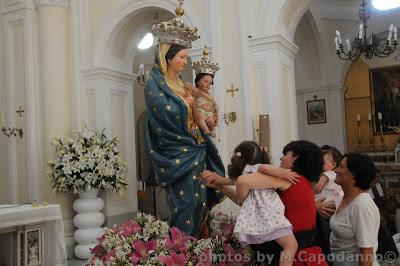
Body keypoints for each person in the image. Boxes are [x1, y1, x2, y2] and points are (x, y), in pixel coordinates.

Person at [144, 2, 225, 237]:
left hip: (197, 148)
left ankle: (197, 249)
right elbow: (163, 112)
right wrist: (189, 106)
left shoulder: (183, 84)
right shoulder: (154, 84)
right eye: (181, 56)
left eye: (186, 57)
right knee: (184, 204)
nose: (185, 62)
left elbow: (202, 104)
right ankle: (180, 252)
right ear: (167, 56)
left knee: (199, 201)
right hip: (177, 152)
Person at [203, 140, 328, 266]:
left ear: (296, 157)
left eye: (285, 154)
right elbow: (249, 202)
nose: (281, 157)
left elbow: (243, 182)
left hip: (298, 257)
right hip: (304, 254)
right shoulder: (300, 182)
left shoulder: (290, 179)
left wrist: (221, 182)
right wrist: (220, 185)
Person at [329, 153, 380, 266]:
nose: (336, 170)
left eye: (341, 167)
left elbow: (366, 253)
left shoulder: (362, 205)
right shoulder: (345, 197)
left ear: (354, 174)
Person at [314, 146, 343, 262]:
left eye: (322, 162)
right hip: (330, 210)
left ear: (334, 164)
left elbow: (317, 188)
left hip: (329, 210)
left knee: (326, 236)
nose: (319, 165)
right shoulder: (334, 175)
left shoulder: (327, 174)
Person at [192, 47, 220, 137]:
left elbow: (213, 102)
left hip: (209, 113)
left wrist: (216, 106)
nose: (208, 85)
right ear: (198, 81)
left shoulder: (209, 95)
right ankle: (205, 129)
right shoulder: (197, 91)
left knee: (211, 121)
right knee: (200, 118)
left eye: (210, 83)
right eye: (205, 82)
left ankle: (211, 129)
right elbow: (189, 89)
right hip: (200, 111)